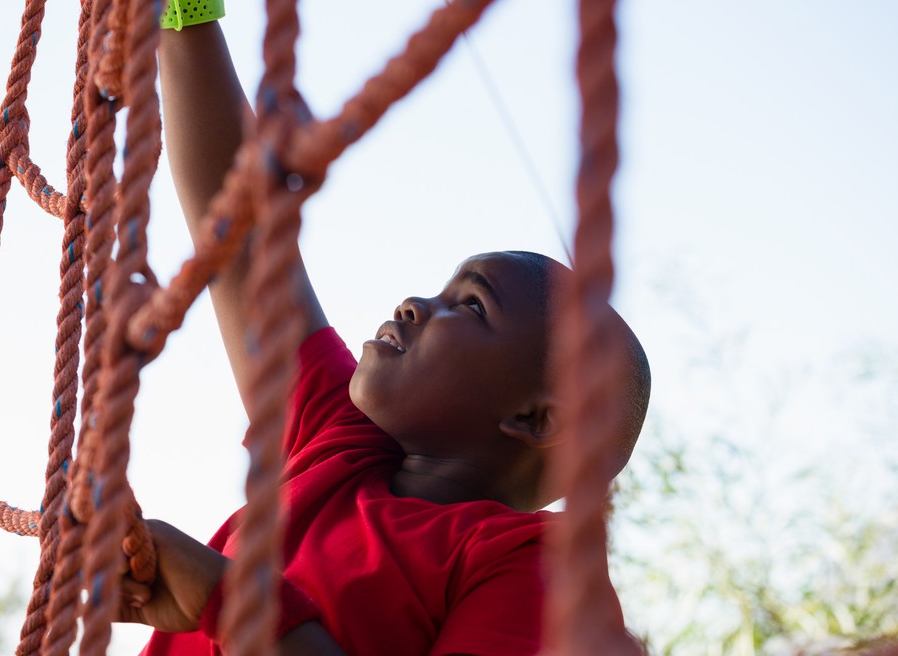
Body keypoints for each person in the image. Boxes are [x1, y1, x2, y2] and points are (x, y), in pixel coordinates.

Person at [117, 14, 652, 656]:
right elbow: (239, 237)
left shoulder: (533, 568)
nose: (414, 304)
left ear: (536, 417)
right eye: (442, 287)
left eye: (473, 305)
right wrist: (183, 17)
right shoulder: (341, 442)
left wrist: (227, 602)